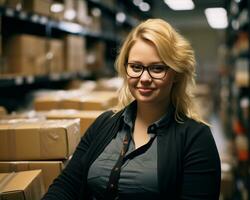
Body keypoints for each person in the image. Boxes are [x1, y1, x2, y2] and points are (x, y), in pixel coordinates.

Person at [42, 18, 221, 200]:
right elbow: (67, 184)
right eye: (136, 67)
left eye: (157, 68)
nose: (144, 78)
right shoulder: (105, 123)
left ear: (175, 74)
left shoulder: (196, 138)